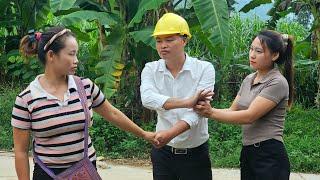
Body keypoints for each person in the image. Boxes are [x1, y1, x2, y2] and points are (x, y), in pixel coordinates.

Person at [12, 27, 157, 180]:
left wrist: (144, 134)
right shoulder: (26, 99)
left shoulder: (85, 87)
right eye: (71, 54)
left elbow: (113, 113)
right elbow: (21, 152)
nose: (76, 60)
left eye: (76, 54)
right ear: (51, 55)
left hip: (84, 172)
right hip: (48, 174)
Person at [195, 30, 293, 180]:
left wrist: (211, 112)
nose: (252, 55)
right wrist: (205, 108)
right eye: (251, 49)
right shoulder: (249, 79)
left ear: (275, 55)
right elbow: (232, 110)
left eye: (258, 51)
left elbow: (249, 116)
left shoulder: (277, 82)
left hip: (269, 155)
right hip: (248, 152)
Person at [140, 13, 215, 180]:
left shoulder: (204, 69)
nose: (163, 45)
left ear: (184, 40)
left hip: (196, 153)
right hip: (163, 154)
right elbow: (147, 99)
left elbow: (197, 112)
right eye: (159, 41)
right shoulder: (151, 69)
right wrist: (187, 101)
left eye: (169, 39)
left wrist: (169, 134)